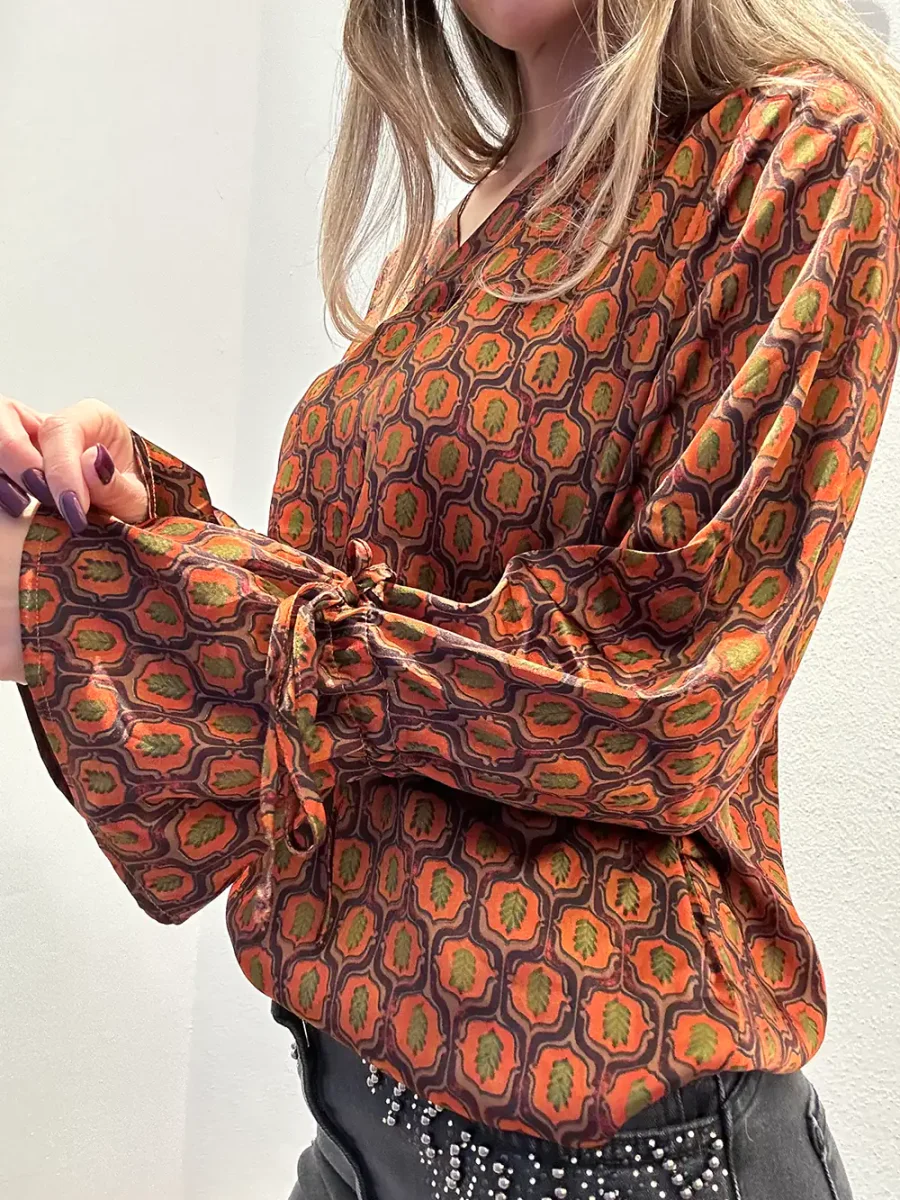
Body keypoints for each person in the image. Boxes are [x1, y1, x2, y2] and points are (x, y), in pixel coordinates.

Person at [2, 2, 900, 1197]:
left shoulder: (796, 150)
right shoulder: (464, 224)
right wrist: (138, 525)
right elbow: (351, 660)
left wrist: (110, 604)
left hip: (618, 1159)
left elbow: (667, 697)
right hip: (354, 1122)